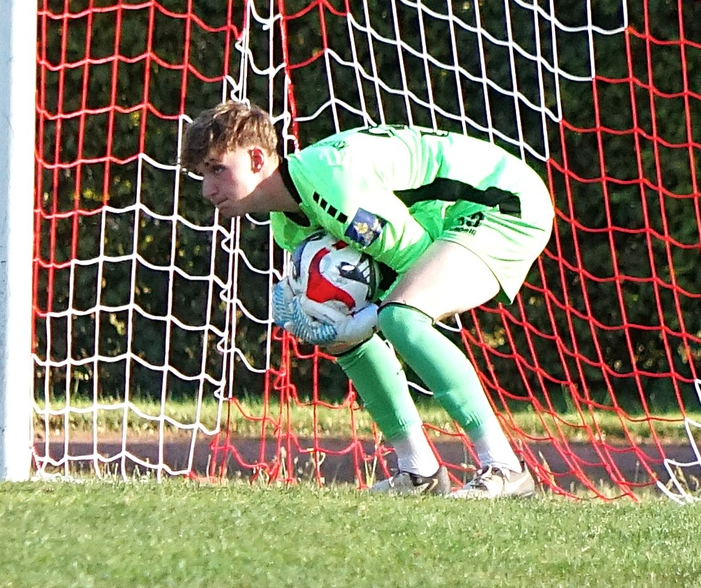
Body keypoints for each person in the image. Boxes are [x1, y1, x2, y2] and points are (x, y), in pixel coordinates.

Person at [179, 101, 554, 498]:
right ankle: (418, 471)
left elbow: (412, 260)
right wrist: (337, 322)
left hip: (504, 204)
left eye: (217, 169)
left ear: (257, 159)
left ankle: (505, 466)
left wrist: (361, 319)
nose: (207, 189)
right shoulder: (286, 223)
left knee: (403, 316)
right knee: (342, 333)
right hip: (450, 215)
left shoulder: (333, 186)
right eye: (201, 175)